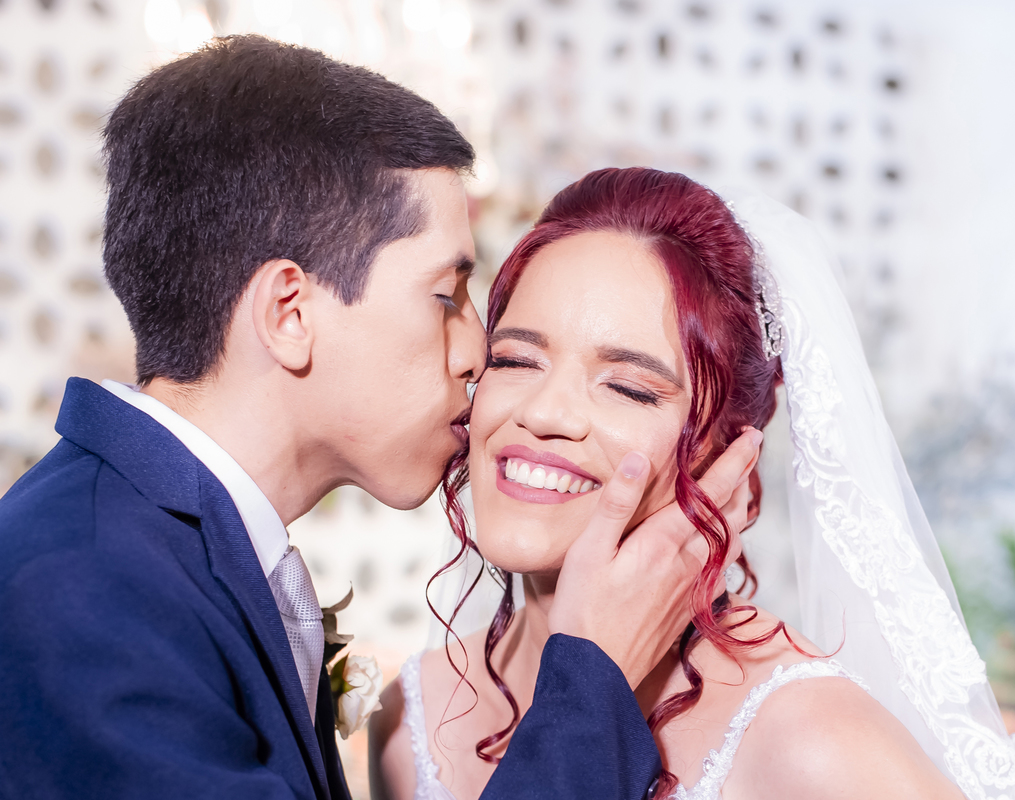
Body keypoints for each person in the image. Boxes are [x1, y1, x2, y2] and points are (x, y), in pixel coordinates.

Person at [0, 39, 758, 800]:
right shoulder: (84, 597)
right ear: (290, 313)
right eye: (445, 296)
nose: (476, 353)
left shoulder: (147, 551)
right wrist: (592, 675)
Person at [370, 168, 1015, 800]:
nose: (541, 413)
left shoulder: (812, 742)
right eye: (515, 359)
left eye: (628, 387)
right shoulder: (410, 718)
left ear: (728, 455)